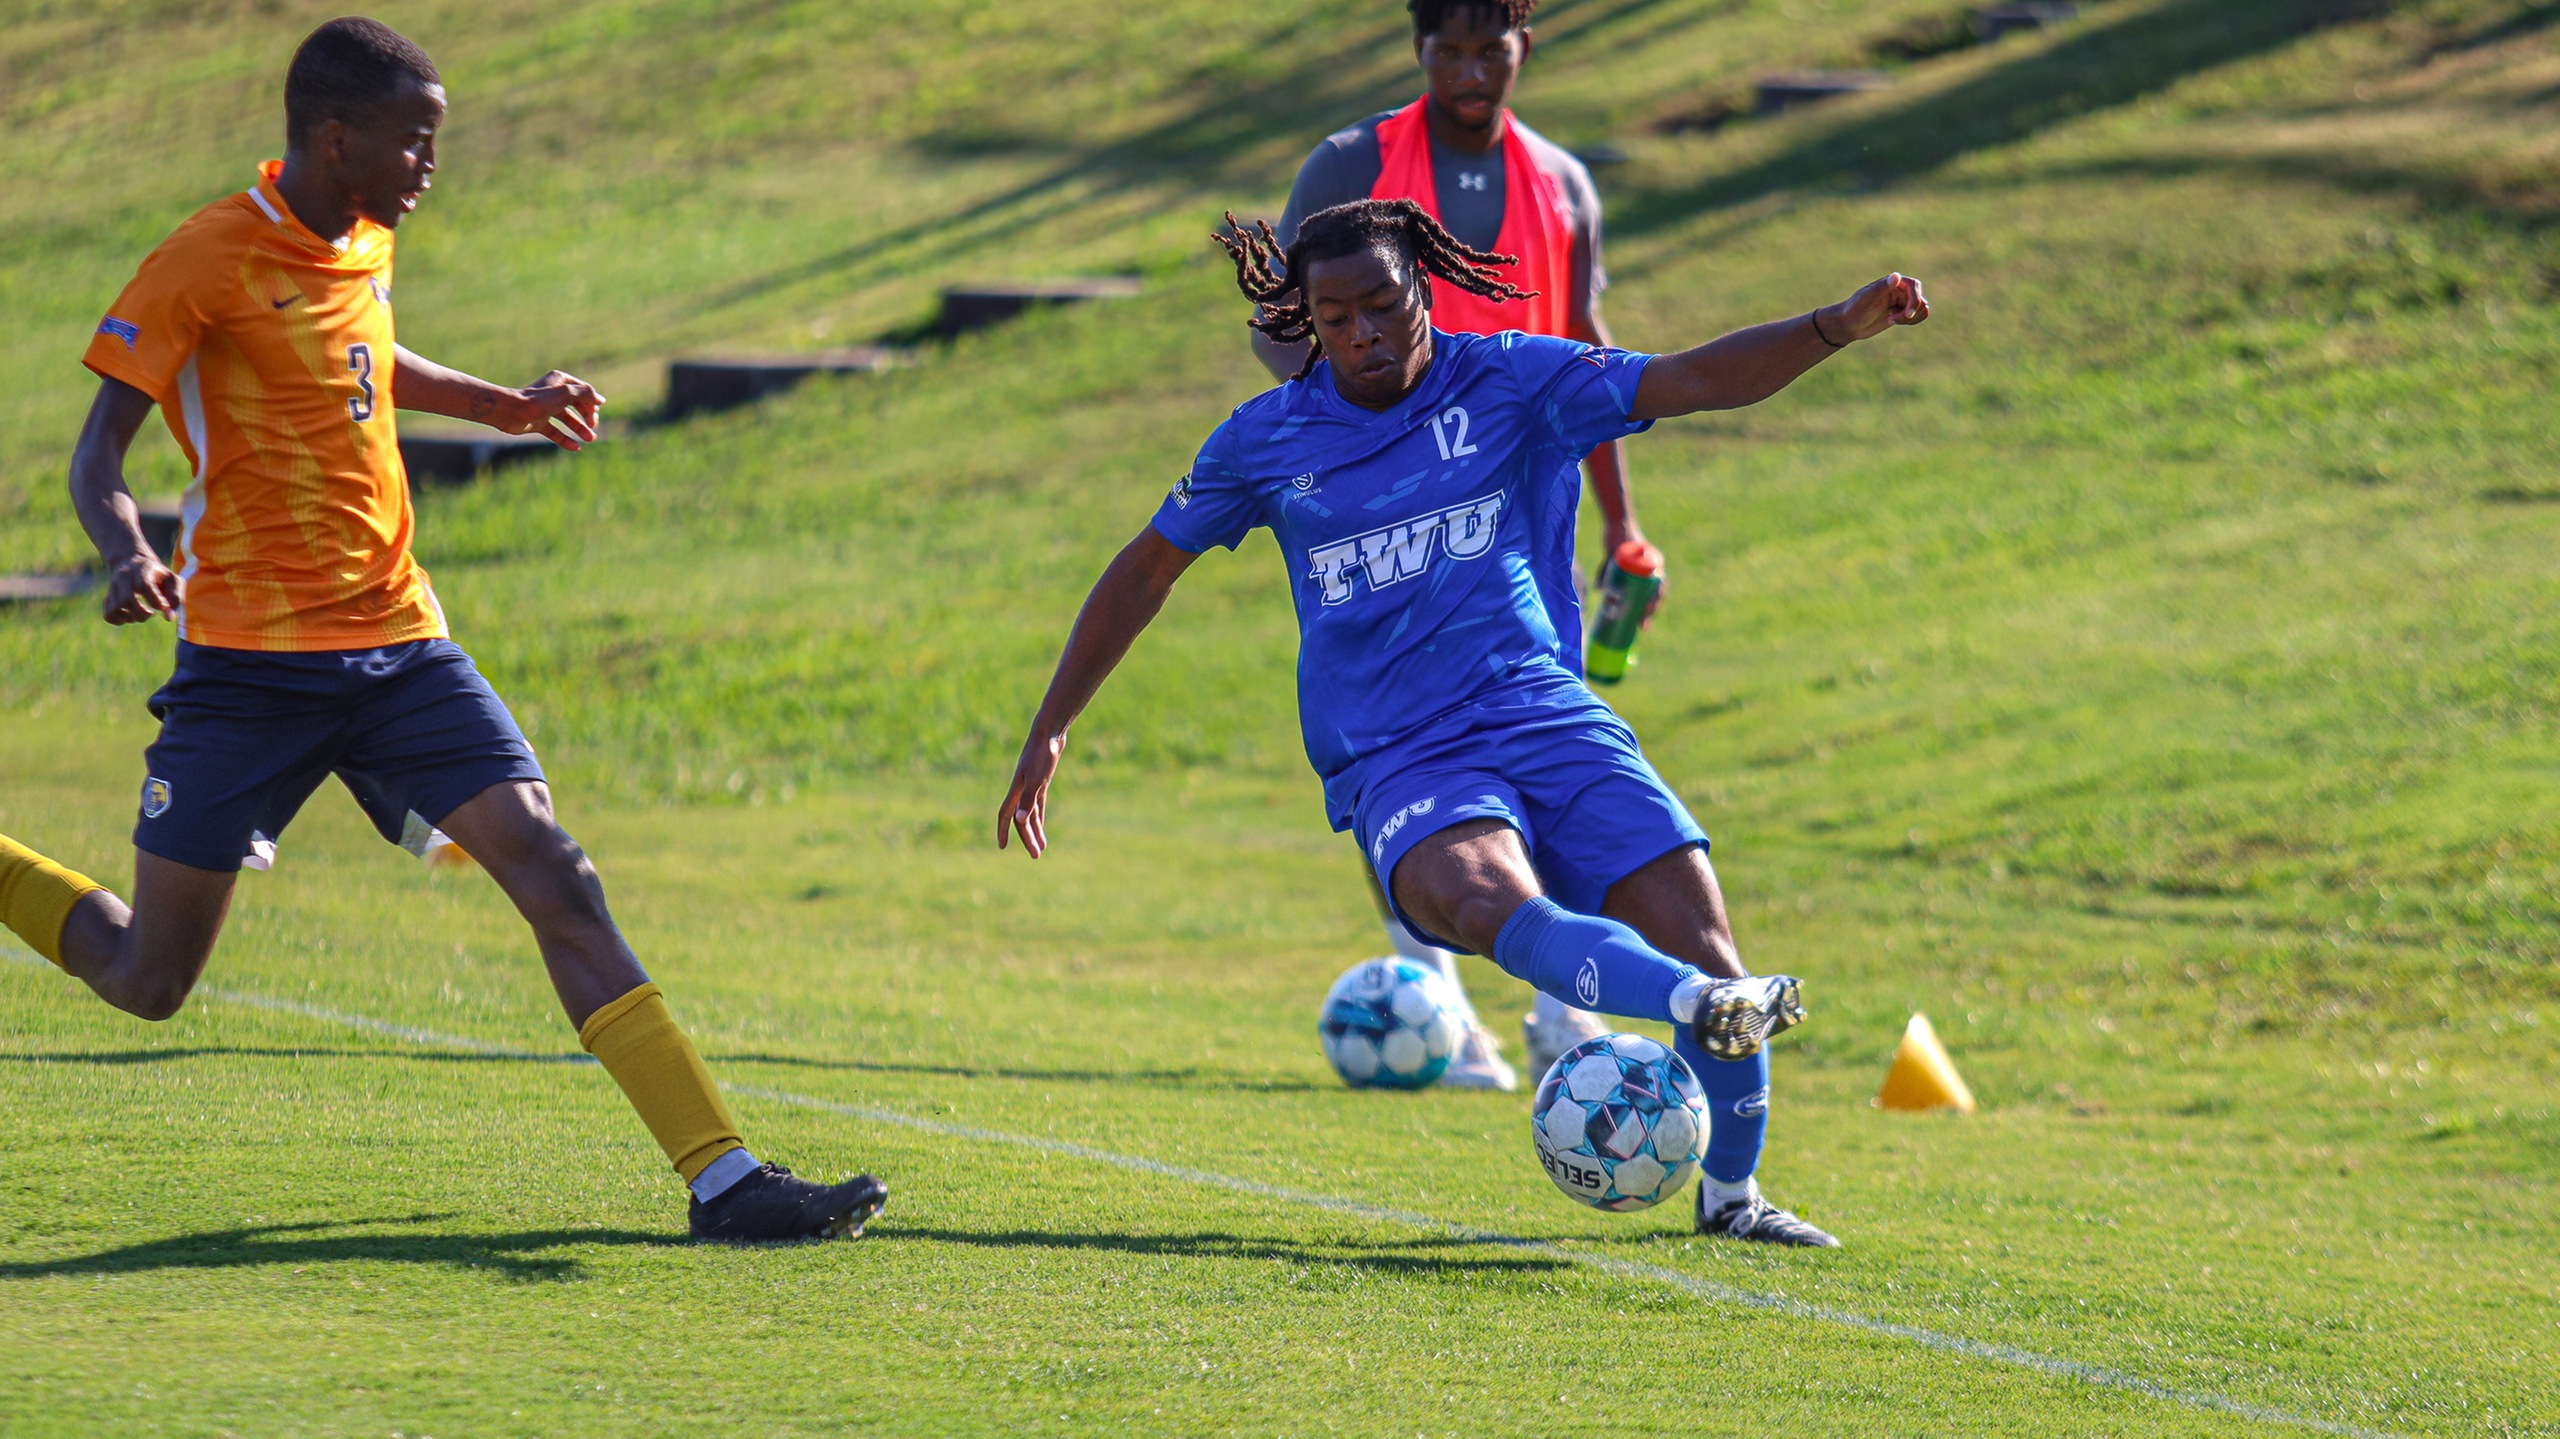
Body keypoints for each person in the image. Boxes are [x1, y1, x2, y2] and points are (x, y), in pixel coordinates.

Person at [0, 17, 883, 1244]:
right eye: (415, 144)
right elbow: (100, 450)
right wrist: (128, 550)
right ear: (336, 135)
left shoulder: (361, 239)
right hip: (249, 672)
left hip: (402, 645)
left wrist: (505, 407)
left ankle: (722, 1179)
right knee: (150, 978)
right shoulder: (203, 257)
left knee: (554, 867)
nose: (429, 167)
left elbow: (362, 354)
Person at [999, 199, 1928, 1245]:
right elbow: (1144, 569)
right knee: (1486, 900)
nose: (1361, 333)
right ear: (1306, 319)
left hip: (1543, 712)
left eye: (1381, 306)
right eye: (1334, 314)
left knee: (1710, 937)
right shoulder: (1266, 439)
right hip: (1397, 752)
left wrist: (1834, 327)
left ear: (1422, 293)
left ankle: (1733, 1199)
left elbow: (1692, 378)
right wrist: (1052, 724)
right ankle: (1689, 1003)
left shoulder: (1512, 379)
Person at [1256, 0, 1651, 1090]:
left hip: (1527, 512)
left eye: (1493, 47)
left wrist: (1622, 520)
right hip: (1385, 513)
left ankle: (1561, 1012)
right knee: (1408, 749)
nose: (1471, 69)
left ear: (1528, 49)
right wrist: (1361, 464)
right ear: (1418, 49)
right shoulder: (1351, 163)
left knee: (1548, 736)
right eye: (1450, 47)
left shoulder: (1563, 184)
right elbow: (1280, 330)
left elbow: (1588, 359)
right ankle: (1434, 1004)